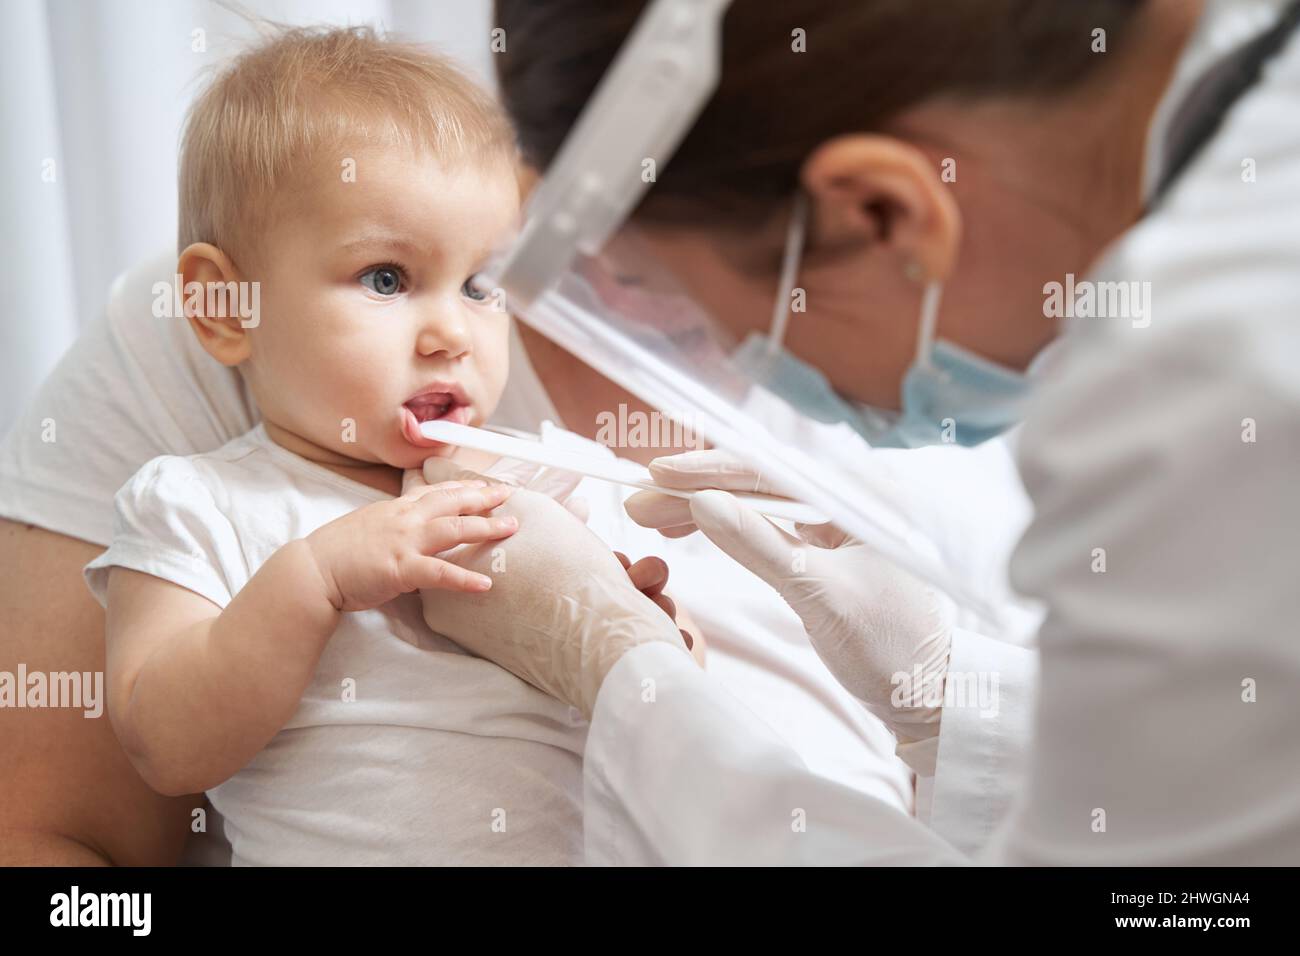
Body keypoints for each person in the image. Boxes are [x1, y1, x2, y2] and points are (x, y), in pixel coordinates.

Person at [0, 12, 944, 864]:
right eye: (383, 279)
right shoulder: (195, 500)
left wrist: (650, 642)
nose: (453, 329)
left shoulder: (545, 484)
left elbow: (663, 726)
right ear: (225, 307)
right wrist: (316, 581)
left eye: (483, 284)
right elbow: (160, 742)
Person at [430, 0, 1300, 863]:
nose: (740, 373)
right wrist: (948, 697)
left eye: (718, 326)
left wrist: (622, 675)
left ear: (878, 212)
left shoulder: (1208, 379)